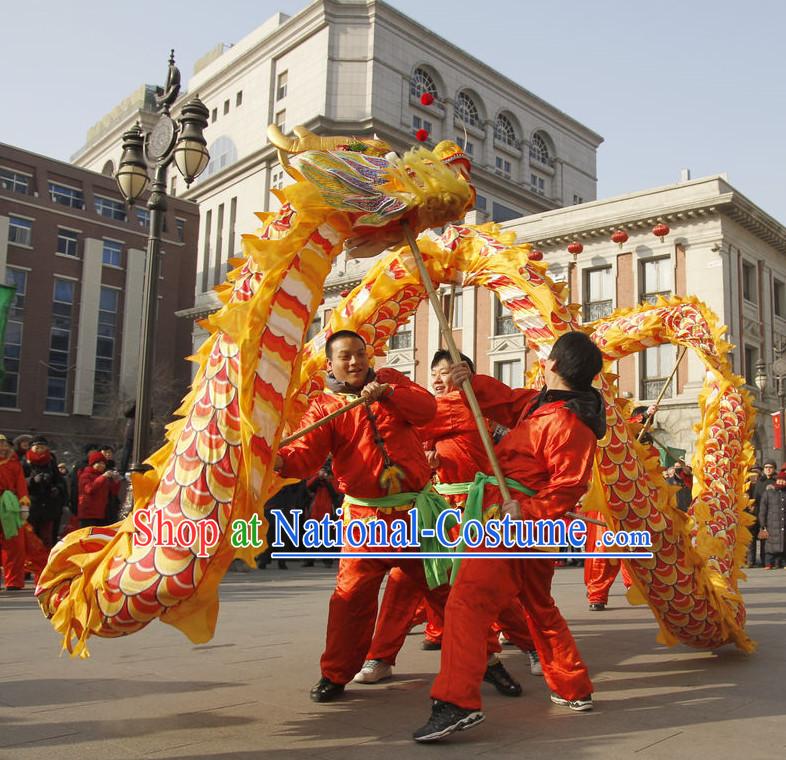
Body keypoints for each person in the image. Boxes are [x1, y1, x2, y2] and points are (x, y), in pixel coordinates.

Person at [413, 331, 605, 743]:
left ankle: (456, 701)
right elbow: (502, 399)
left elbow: (569, 486)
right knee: (538, 605)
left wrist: (527, 511)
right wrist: (470, 379)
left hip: (511, 524)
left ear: (552, 364)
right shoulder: (542, 405)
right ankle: (572, 686)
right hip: (515, 519)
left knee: (466, 601)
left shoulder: (570, 421)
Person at [275, 329, 452, 703]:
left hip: (414, 514)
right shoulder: (325, 407)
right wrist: (276, 461)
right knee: (350, 598)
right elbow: (304, 453)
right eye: (345, 356)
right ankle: (336, 674)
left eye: (359, 354)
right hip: (364, 520)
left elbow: (426, 409)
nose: (354, 362)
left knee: (445, 591)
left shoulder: (391, 382)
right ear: (331, 364)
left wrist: (388, 395)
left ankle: (484, 658)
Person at [356, 350, 540, 691]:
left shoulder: (459, 403)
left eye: (448, 372)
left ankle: (532, 646)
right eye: (435, 373)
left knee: (482, 582)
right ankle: (381, 655)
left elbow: (420, 416)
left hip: (472, 508)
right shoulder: (432, 410)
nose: (441, 379)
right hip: (436, 505)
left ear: (464, 375)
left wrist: (388, 387)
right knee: (405, 579)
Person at [0, 434, 32, 590]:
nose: (3, 447)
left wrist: (23, 505)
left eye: (4, 444)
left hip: (9, 505)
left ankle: (13, 580)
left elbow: (20, 484)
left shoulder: (14, 464)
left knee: (14, 544)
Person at [24, 435, 67, 549]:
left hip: (49, 505)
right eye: (37, 447)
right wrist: (32, 480)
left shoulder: (51, 461)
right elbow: (17, 481)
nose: (40, 450)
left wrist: (57, 488)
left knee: (47, 538)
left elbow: (60, 480)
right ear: (31, 448)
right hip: (31, 505)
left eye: (42, 447)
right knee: (31, 536)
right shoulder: (25, 461)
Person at [77, 451, 121, 528]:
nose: (102, 466)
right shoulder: (85, 475)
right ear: (92, 464)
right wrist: (103, 477)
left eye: (103, 464)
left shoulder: (103, 477)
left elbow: (113, 492)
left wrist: (116, 481)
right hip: (88, 514)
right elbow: (89, 489)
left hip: (101, 513)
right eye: (99, 463)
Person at [758, 466, 786, 569]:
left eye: (784, 481)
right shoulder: (768, 493)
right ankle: (768, 563)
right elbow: (763, 510)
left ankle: (781, 562)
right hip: (771, 524)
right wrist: (763, 524)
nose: (782, 483)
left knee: (783, 543)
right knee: (770, 545)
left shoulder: (784, 493)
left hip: (782, 523)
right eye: (780, 481)